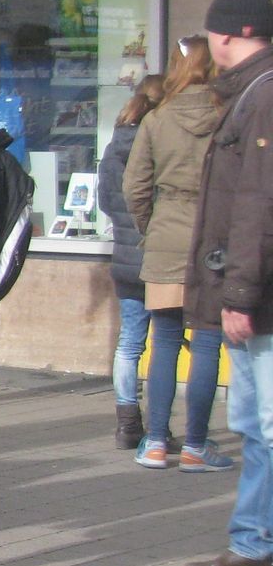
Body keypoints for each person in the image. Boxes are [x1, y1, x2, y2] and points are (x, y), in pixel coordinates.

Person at [179, 0, 273, 566]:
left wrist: (239, 294)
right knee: (254, 426)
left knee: (269, 424)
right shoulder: (249, 94)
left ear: (229, 35)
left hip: (259, 298)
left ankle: (258, 542)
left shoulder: (264, 96)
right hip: (249, 294)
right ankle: (253, 541)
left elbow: (259, 205)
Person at [127, 36, 234, 472]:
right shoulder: (229, 115)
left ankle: (154, 442)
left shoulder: (157, 118)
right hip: (215, 235)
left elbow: (135, 186)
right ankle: (196, 445)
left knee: (165, 341)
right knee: (207, 342)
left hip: (167, 230)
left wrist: (150, 228)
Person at [101, 76, 164, 450]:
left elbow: (107, 201)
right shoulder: (158, 140)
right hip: (157, 254)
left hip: (124, 255)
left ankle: (127, 422)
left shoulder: (115, 143)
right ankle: (158, 426)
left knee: (129, 343)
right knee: (164, 342)